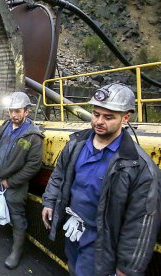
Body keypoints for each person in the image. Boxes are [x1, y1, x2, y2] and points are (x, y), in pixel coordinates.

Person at [41, 83, 161, 276]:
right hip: (73, 228)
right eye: (96, 114)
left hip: (101, 243)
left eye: (108, 117)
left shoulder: (139, 167)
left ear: (126, 118)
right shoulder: (76, 146)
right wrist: (49, 201)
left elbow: (141, 222)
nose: (99, 121)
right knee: (73, 268)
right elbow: (59, 175)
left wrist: (126, 268)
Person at [0, 91, 44, 269]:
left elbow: (33, 166)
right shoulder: (5, 126)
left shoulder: (33, 136)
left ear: (26, 112)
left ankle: (16, 251)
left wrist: (11, 182)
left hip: (14, 182)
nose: (13, 114)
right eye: (11, 111)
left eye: (18, 111)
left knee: (17, 216)